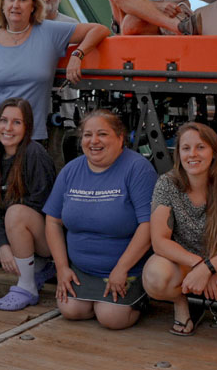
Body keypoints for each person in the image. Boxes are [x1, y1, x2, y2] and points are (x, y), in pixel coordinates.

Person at [0, 0, 108, 297]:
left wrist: (78, 55)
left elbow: (99, 28)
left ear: (33, 5)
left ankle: (37, 266)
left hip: (31, 138)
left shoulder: (49, 33)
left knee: (29, 205)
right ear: (2, 5)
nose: (16, 5)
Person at [142, 122, 217, 358]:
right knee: (154, 276)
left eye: (200, 147)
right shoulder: (167, 184)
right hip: (187, 269)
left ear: (214, 153)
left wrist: (211, 267)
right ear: (178, 154)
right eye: (186, 148)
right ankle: (182, 303)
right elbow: (159, 241)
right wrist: (199, 265)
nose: (193, 154)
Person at [44, 110, 156, 329]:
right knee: (70, 310)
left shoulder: (138, 169)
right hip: (82, 269)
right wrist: (62, 268)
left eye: (102, 134)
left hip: (126, 269)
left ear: (120, 138)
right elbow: (52, 221)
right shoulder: (70, 170)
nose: (93, 141)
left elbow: (148, 225)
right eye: (87, 135)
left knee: (112, 318)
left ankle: (140, 297)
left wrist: (122, 268)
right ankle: (94, 299)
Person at [0, 98, 57, 311]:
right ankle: (36, 268)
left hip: (47, 239)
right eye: (3, 121)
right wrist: (3, 246)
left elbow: (46, 207)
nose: (8, 128)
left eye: (17, 122)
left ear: (27, 127)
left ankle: (27, 286)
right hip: (16, 231)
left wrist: (14, 232)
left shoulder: (34, 154)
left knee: (15, 212)